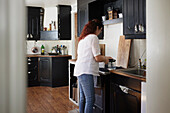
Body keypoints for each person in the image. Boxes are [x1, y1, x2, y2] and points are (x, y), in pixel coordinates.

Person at [74, 19, 112, 113]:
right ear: (97, 28)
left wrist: (103, 58)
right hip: (86, 71)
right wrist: (106, 58)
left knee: (83, 98)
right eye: (100, 30)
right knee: (90, 99)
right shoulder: (93, 37)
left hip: (79, 70)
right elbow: (97, 58)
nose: (99, 33)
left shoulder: (82, 39)